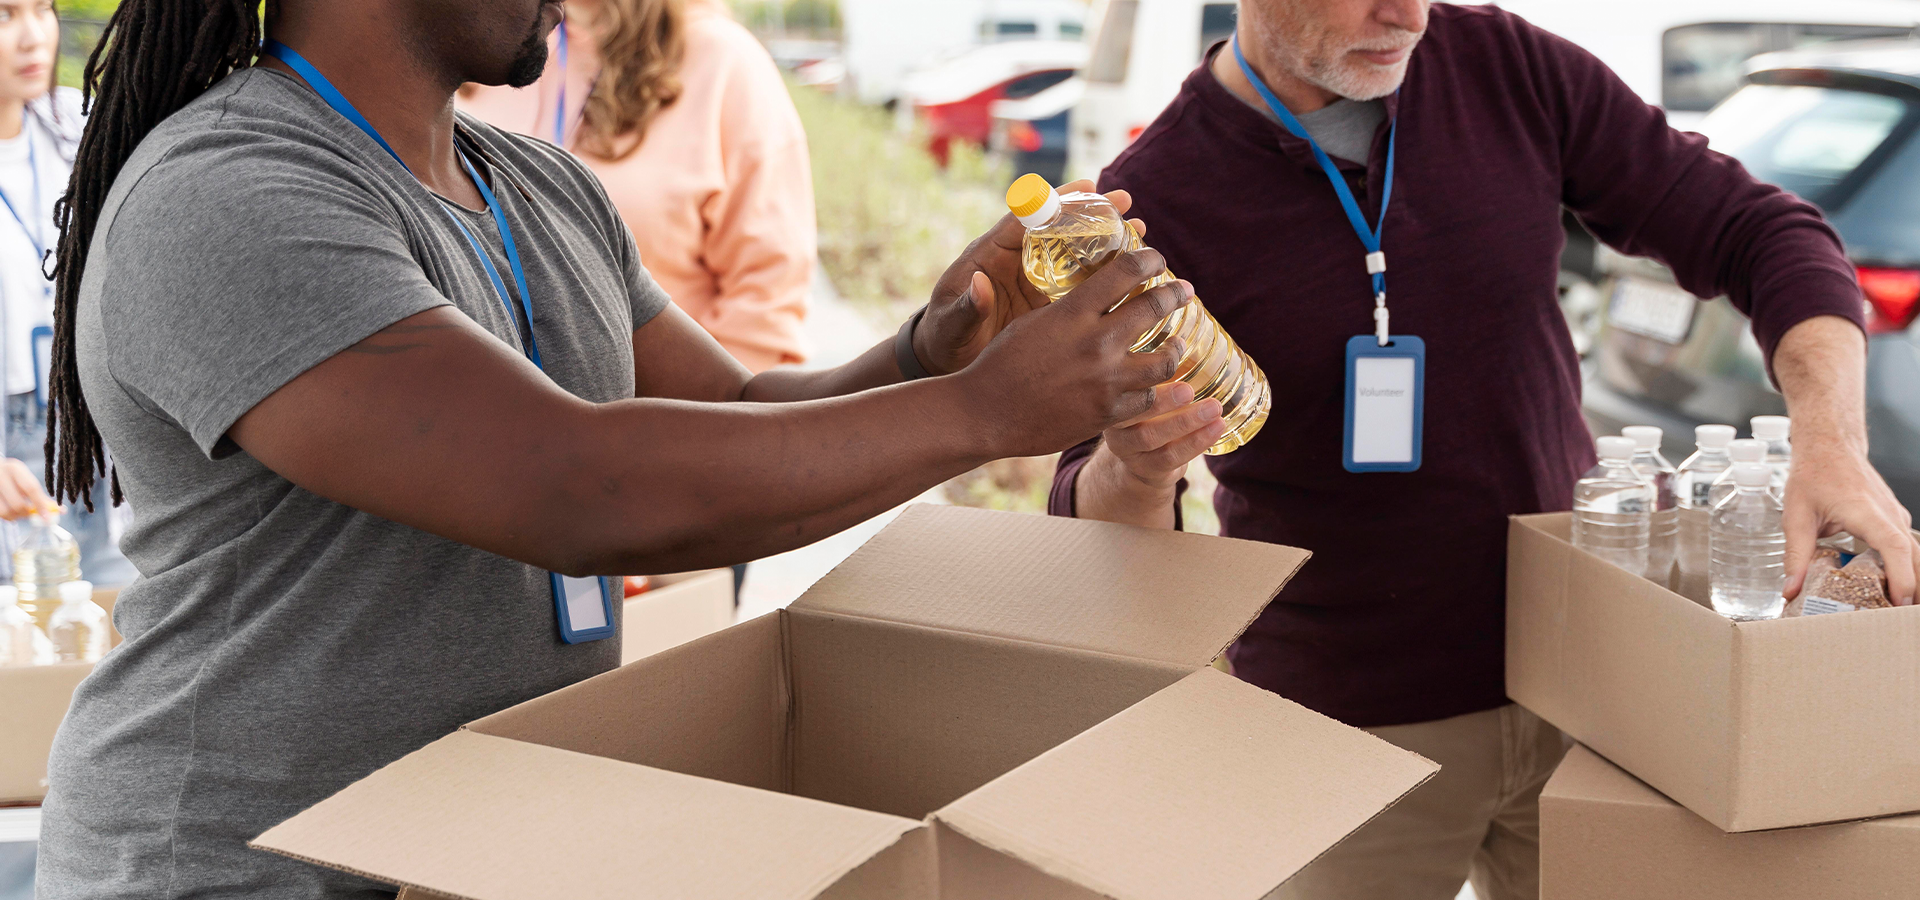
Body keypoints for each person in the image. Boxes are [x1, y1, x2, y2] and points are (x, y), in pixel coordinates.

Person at [32, 0, 1192, 897]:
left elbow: (735, 406)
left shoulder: (532, 184)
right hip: (246, 866)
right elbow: (578, 485)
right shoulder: (233, 195)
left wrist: (932, 352)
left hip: (477, 852)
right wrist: (987, 413)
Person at [1049, 2, 1920, 899]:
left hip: (1591, 689)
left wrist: (1831, 438)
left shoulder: (1507, 66)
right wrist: (1138, 467)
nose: (1409, 16)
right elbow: (1087, 511)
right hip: (1340, 727)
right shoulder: (1153, 202)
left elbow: (1761, 230)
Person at [461, 0, 815, 374]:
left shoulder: (724, 62)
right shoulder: (480, 46)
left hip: (660, 418)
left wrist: (692, 424)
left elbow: (765, 303)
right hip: (483, 411)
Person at [0, 0, 133, 583]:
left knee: (115, 621)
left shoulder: (82, 128)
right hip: (12, 434)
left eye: (42, 9)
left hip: (91, 417)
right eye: (4, 15)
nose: (33, 36)